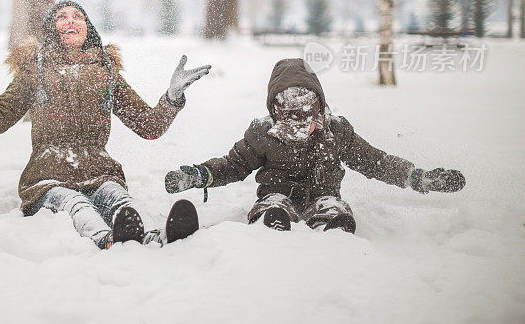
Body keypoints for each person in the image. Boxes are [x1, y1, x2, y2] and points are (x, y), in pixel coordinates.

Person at [0, 0, 210, 248]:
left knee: (119, 197)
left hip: (99, 172)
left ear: (86, 28)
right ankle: (107, 240)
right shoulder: (35, 70)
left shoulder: (106, 72)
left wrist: (172, 97)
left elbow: (149, 125)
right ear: (52, 29)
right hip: (47, 179)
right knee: (76, 204)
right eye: (61, 17)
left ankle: (154, 235)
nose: (70, 20)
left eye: (77, 16)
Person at [164, 58, 465, 233]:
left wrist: (418, 177)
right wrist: (200, 174)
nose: (298, 130)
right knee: (275, 202)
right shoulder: (261, 134)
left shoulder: (336, 132)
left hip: (324, 196)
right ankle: (271, 221)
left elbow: (375, 162)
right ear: (274, 113)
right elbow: (234, 165)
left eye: (306, 121)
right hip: (275, 196)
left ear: (319, 111)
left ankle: (331, 224)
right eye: (289, 122)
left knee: (332, 206)